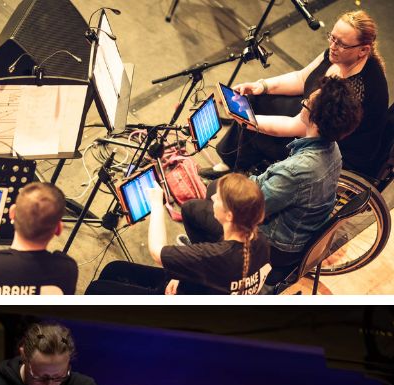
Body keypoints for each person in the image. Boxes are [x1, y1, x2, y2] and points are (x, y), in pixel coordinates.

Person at [183, 76, 363, 286]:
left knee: (192, 209)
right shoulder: (333, 150)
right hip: (301, 230)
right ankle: (218, 244)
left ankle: (215, 265)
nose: (302, 104)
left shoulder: (297, 170)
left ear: (314, 119)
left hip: (278, 247)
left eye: (306, 103)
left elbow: (251, 209)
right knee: (216, 187)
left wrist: (226, 197)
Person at [203, 10, 387, 178]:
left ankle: (241, 175)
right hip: (310, 115)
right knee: (255, 99)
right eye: (332, 38)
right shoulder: (340, 53)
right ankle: (230, 163)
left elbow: (299, 126)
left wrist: (248, 121)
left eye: (341, 43)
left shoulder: (355, 90)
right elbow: (301, 79)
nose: (333, 46)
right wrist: (262, 86)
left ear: (363, 50)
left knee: (256, 123)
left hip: (332, 147)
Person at [87, 174, 270, 294]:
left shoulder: (213, 255)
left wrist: (156, 204)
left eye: (219, 198)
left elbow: (156, 251)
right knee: (114, 269)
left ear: (229, 215)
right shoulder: (259, 240)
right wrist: (182, 273)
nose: (213, 198)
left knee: (96, 289)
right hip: (201, 288)